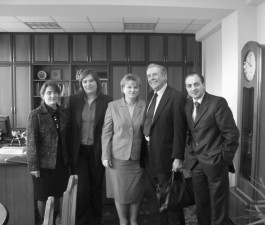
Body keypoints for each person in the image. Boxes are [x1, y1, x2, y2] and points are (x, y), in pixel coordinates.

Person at [184, 73, 240, 225]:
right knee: (201, 203)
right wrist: (190, 154)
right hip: (196, 164)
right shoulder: (188, 106)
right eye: (189, 86)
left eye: (196, 84)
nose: (193, 88)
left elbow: (231, 134)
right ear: (186, 88)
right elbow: (191, 133)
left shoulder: (217, 103)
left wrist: (223, 159)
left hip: (216, 162)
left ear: (203, 84)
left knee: (218, 205)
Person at [143, 63, 187, 225]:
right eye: (149, 76)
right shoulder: (150, 96)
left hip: (167, 157)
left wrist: (178, 158)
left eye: (155, 75)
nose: (151, 78)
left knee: (171, 199)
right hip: (150, 156)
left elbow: (179, 131)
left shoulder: (176, 97)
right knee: (157, 199)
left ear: (165, 76)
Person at [67, 68, 112, 225]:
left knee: (96, 187)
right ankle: (80, 221)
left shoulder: (107, 100)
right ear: (81, 83)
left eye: (91, 80)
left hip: (97, 150)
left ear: (97, 82)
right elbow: (68, 126)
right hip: (78, 152)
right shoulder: (73, 100)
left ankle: (95, 220)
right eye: (84, 81)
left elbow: (110, 126)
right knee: (81, 189)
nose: (88, 84)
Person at [102, 73, 146, 225]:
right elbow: (106, 132)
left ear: (139, 89)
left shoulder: (145, 105)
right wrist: (105, 155)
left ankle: (133, 221)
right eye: (129, 87)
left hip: (138, 157)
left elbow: (148, 130)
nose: (132, 90)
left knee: (136, 191)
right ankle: (123, 221)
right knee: (119, 192)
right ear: (123, 89)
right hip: (117, 157)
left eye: (135, 87)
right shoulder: (113, 106)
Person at [27, 81, 70, 225]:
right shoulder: (35, 115)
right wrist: (33, 166)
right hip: (43, 164)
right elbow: (31, 142)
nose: (53, 95)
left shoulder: (63, 112)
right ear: (43, 95)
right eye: (49, 93)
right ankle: (45, 221)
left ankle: (57, 219)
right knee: (43, 195)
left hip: (61, 161)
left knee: (60, 193)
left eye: (55, 92)